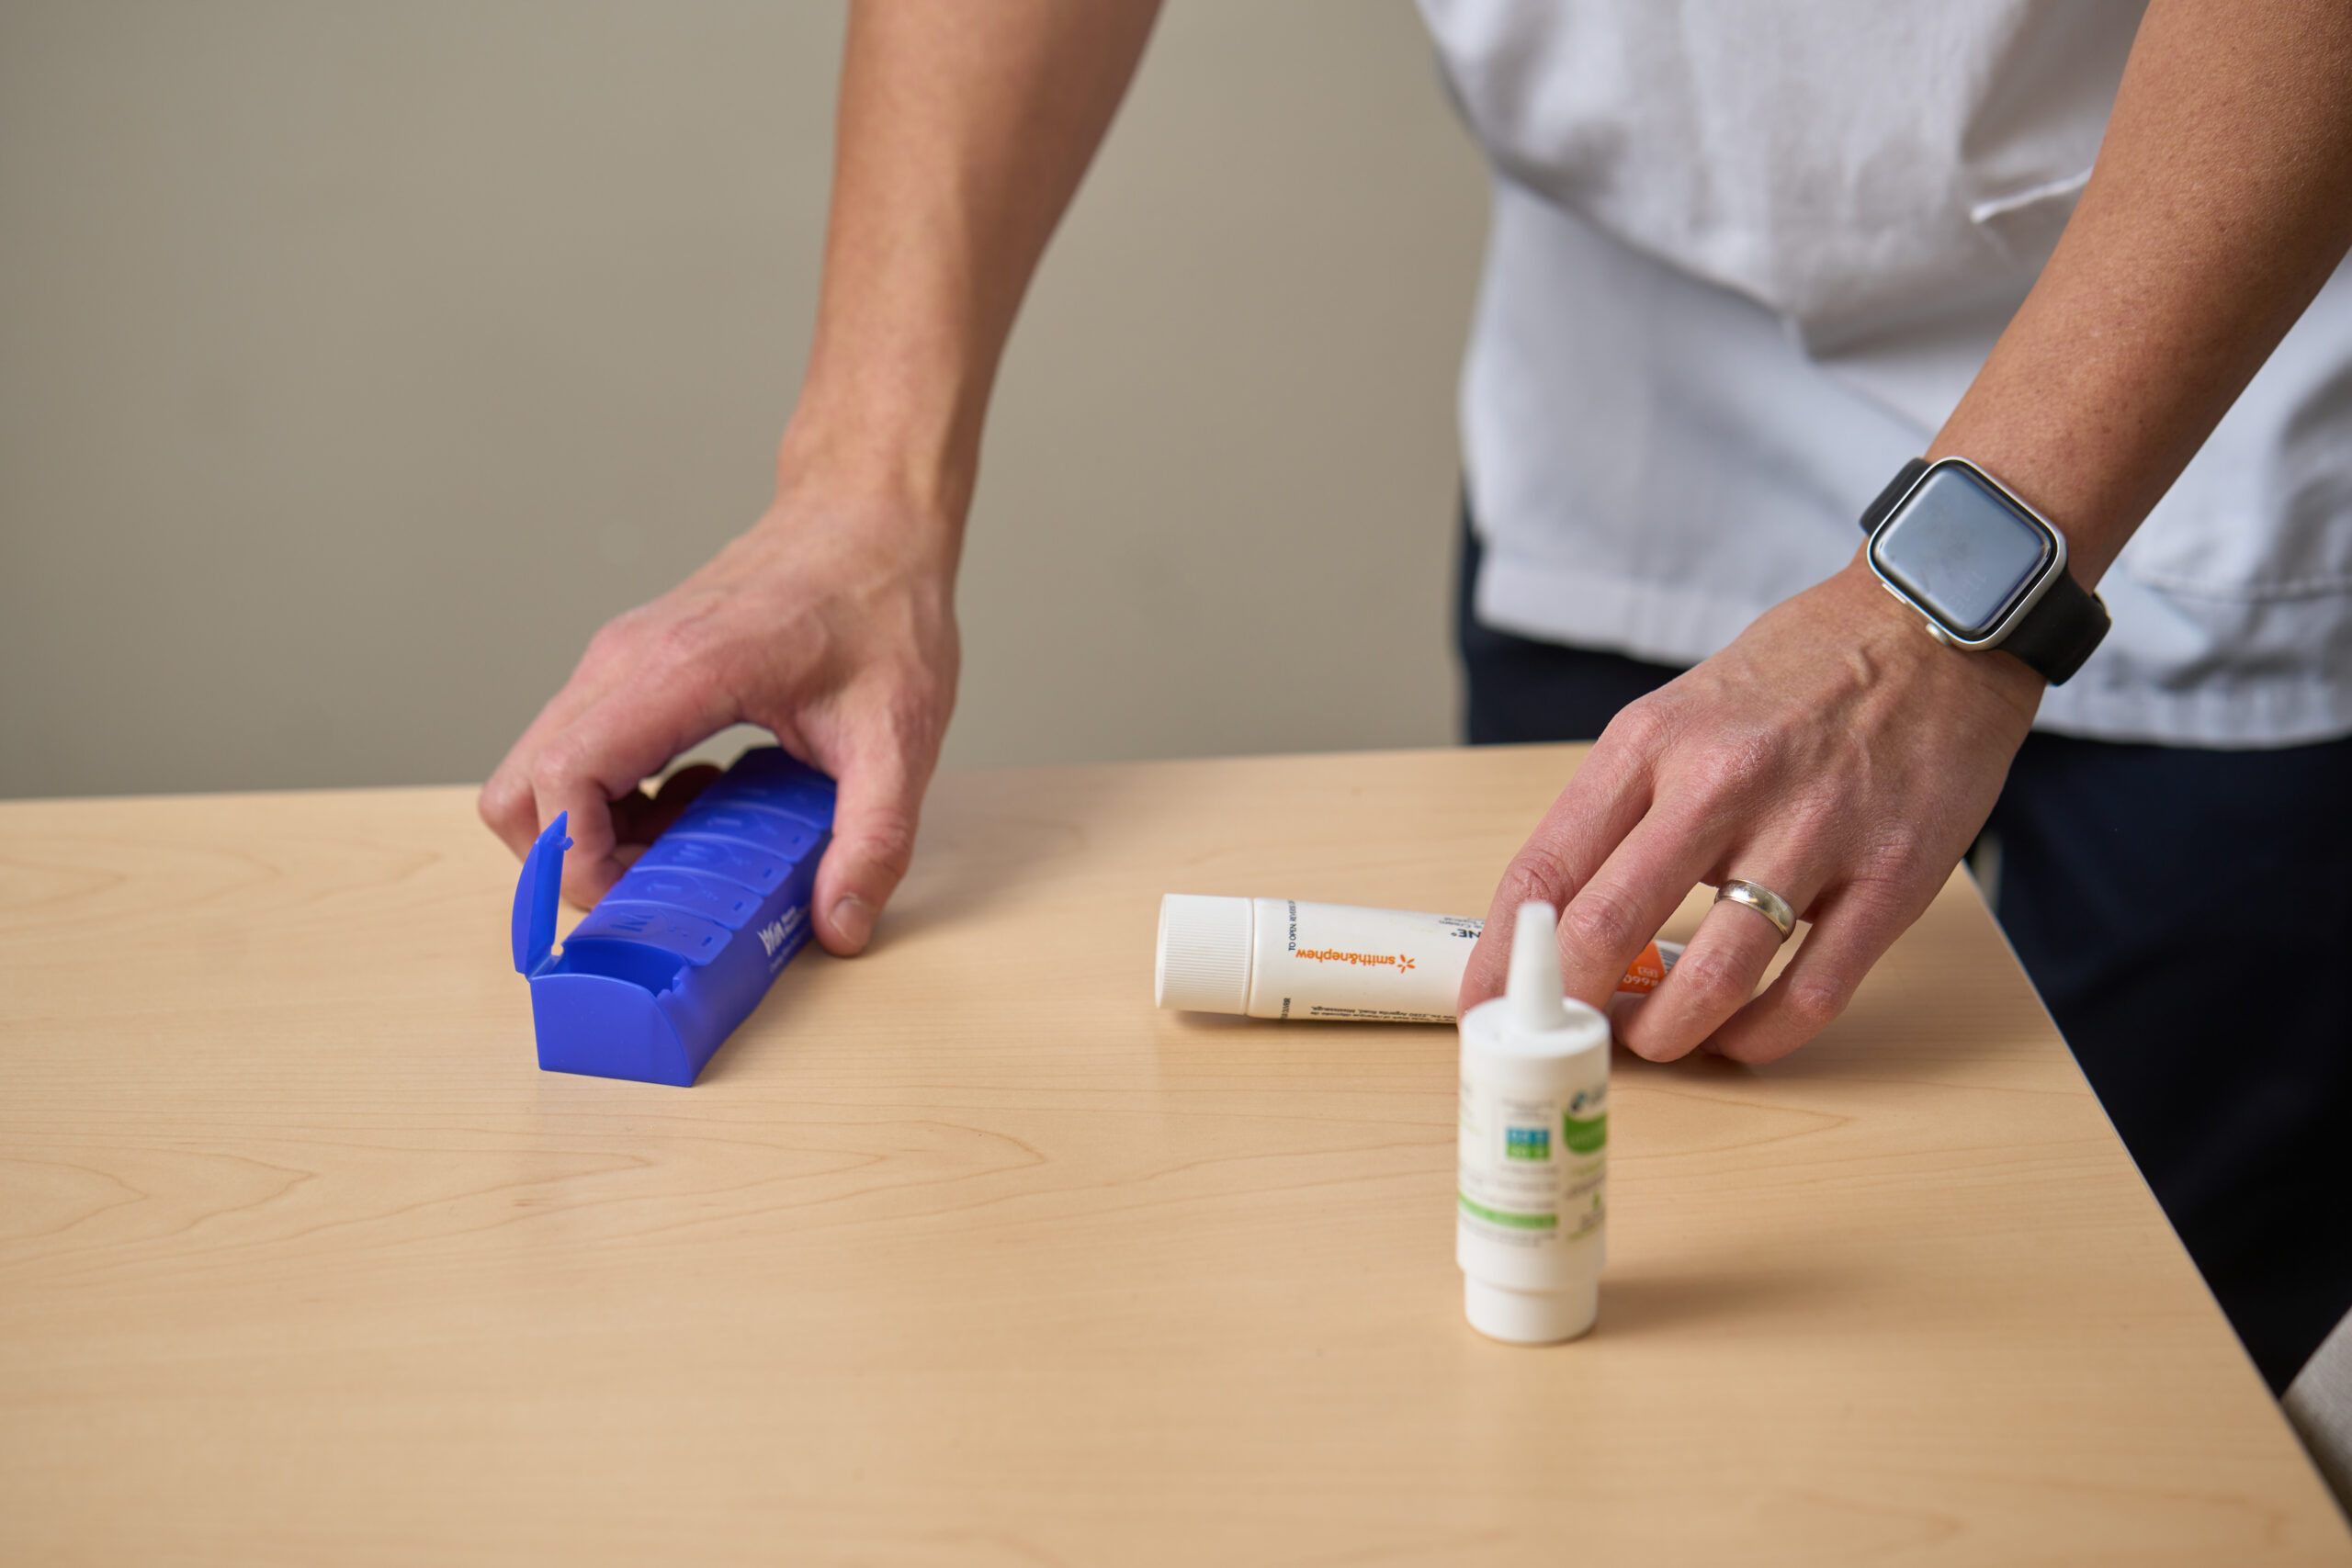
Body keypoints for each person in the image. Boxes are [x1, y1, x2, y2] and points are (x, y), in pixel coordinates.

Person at [480, 1, 2352, 1392]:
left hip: (2220, 352)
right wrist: (855, 496)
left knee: (2099, 1369)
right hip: (1639, 353)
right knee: (1634, 1281)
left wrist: (1948, 597)